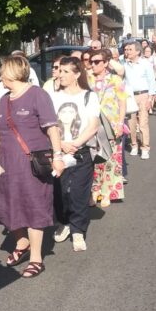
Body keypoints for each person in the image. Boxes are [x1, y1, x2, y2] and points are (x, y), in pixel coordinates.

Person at [0, 54, 64, 275]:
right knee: (10, 204)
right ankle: (22, 243)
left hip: (31, 164)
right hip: (6, 164)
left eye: (2, 70)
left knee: (33, 205)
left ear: (13, 72)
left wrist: (58, 156)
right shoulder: (4, 99)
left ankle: (36, 258)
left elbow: (52, 128)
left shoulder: (37, 95)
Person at [48, 57, 100, 249]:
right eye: (59, 71)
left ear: (77, 74)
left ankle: (78, 230)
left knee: (79, 191)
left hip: (81, 151)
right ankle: (64, 222)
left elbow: (93, 126)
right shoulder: (52, 97)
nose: (60, 75)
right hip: (58, 151)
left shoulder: (89, 96)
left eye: (65, 71)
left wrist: (75, 144)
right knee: (59, 192)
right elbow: (47, 125)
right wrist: (60, 144)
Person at [89, 49, 127, 207]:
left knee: (110, 162)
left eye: (97, 62)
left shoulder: (115, 79)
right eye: (91, 62)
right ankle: (95, 195)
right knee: (95, 163)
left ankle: (107, 194)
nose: (93, 64)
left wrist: (119, 123)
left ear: (105, 63)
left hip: (111, 125)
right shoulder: (87, 79)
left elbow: (122, 102)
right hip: (92, 126)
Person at [122, 40, 156, 158]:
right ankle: (134, 145)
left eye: (130, 50)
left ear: (137, 51)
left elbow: (152, 81)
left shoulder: (145, 63)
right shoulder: (124, 65)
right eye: (126, 50)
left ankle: (145, 147)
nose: (127, 52)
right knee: (131, 123)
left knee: (143, 122)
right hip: (130, 96)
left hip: (143, 95)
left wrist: (150, 98)